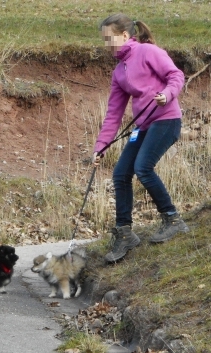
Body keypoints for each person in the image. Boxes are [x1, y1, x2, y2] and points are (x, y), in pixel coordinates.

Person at [92, 13, 189, 263]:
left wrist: (166, 95)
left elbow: (176, 75)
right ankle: (124, 233)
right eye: (103, 40)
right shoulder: (119, 72)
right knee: (120, 173)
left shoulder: (147, 52)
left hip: (166, 119)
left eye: (109, 39)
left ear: (124, 35)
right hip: (143, 126)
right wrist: (101, 147)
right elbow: (113, 114)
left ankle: (173, 219)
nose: (106, 44)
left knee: (143, 168)